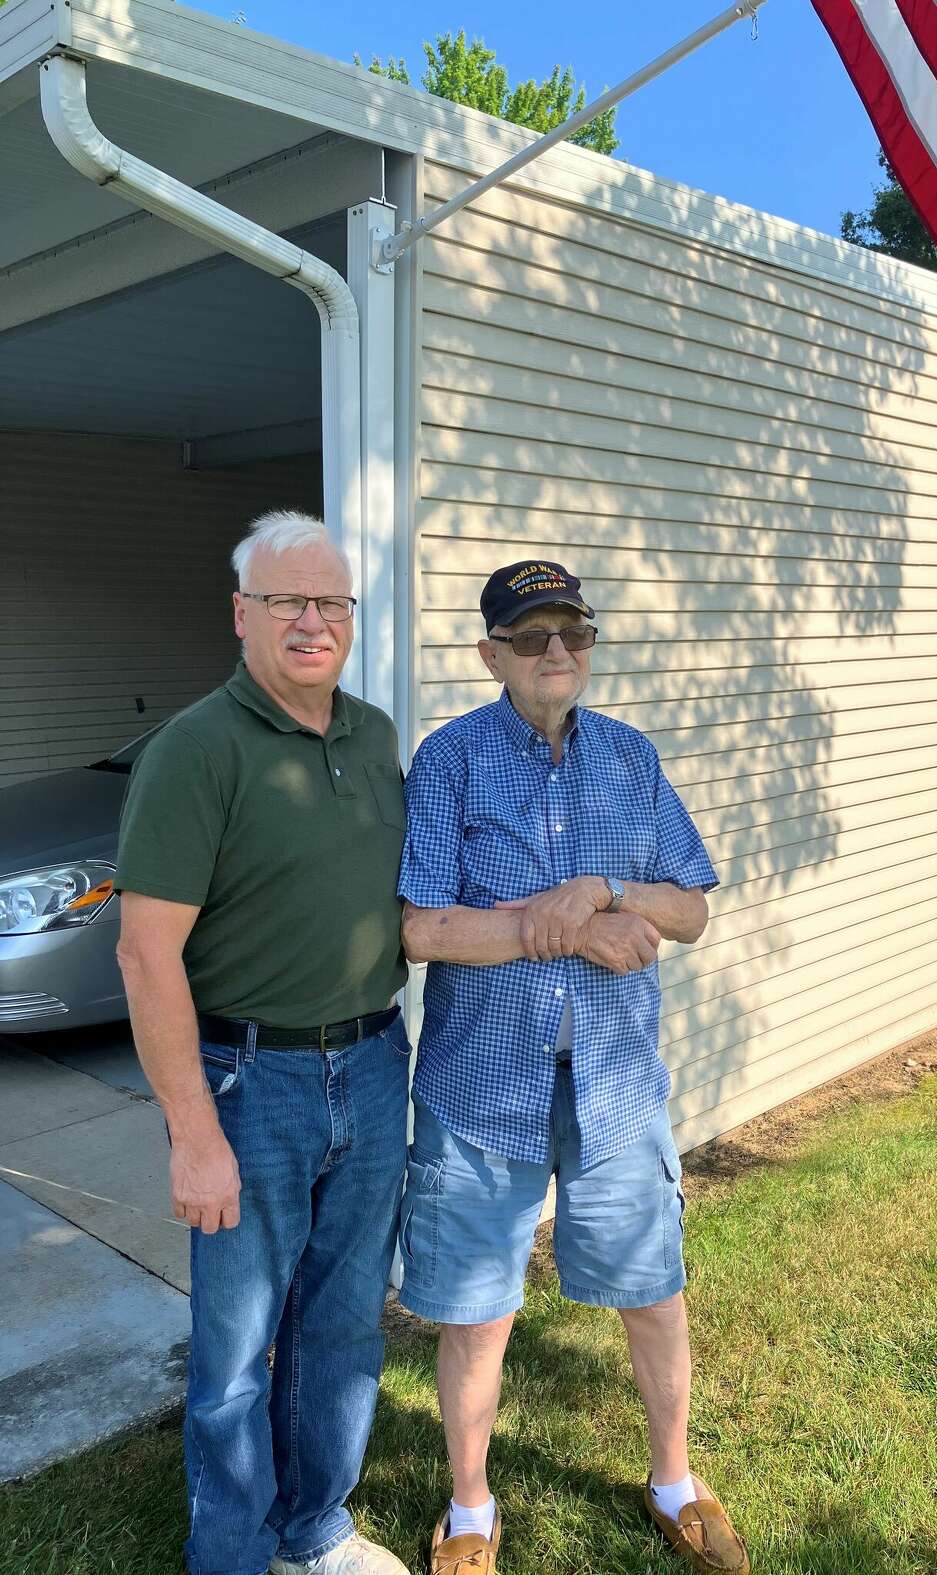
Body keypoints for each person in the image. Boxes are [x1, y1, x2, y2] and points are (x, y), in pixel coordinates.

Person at [398, 560, 750, 1575]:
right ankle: (471, 1512)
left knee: (654, 1287)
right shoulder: (449, 762)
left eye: (574, 633)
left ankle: (675, 1481)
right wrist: (565, 932)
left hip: (615, 1083)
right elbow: (422, 930)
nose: (558, 652)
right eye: (532, 635)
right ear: (491, 656)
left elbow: (689, 909)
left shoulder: (631, 762)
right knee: (477, 1310)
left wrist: (601, 890)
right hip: (481, 1087)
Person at [115, 511, 411, 1575]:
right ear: (242, 615)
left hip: (376, 1068)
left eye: (331, 601)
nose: (312, 620)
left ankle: (312, 1530)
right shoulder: (196, 751)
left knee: (341, 1328)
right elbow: (147, 956)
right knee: (238, 1352)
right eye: (287, 600)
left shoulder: (375, 737)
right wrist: (193, 1134)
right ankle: (232, 1555)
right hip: (252, 1081)